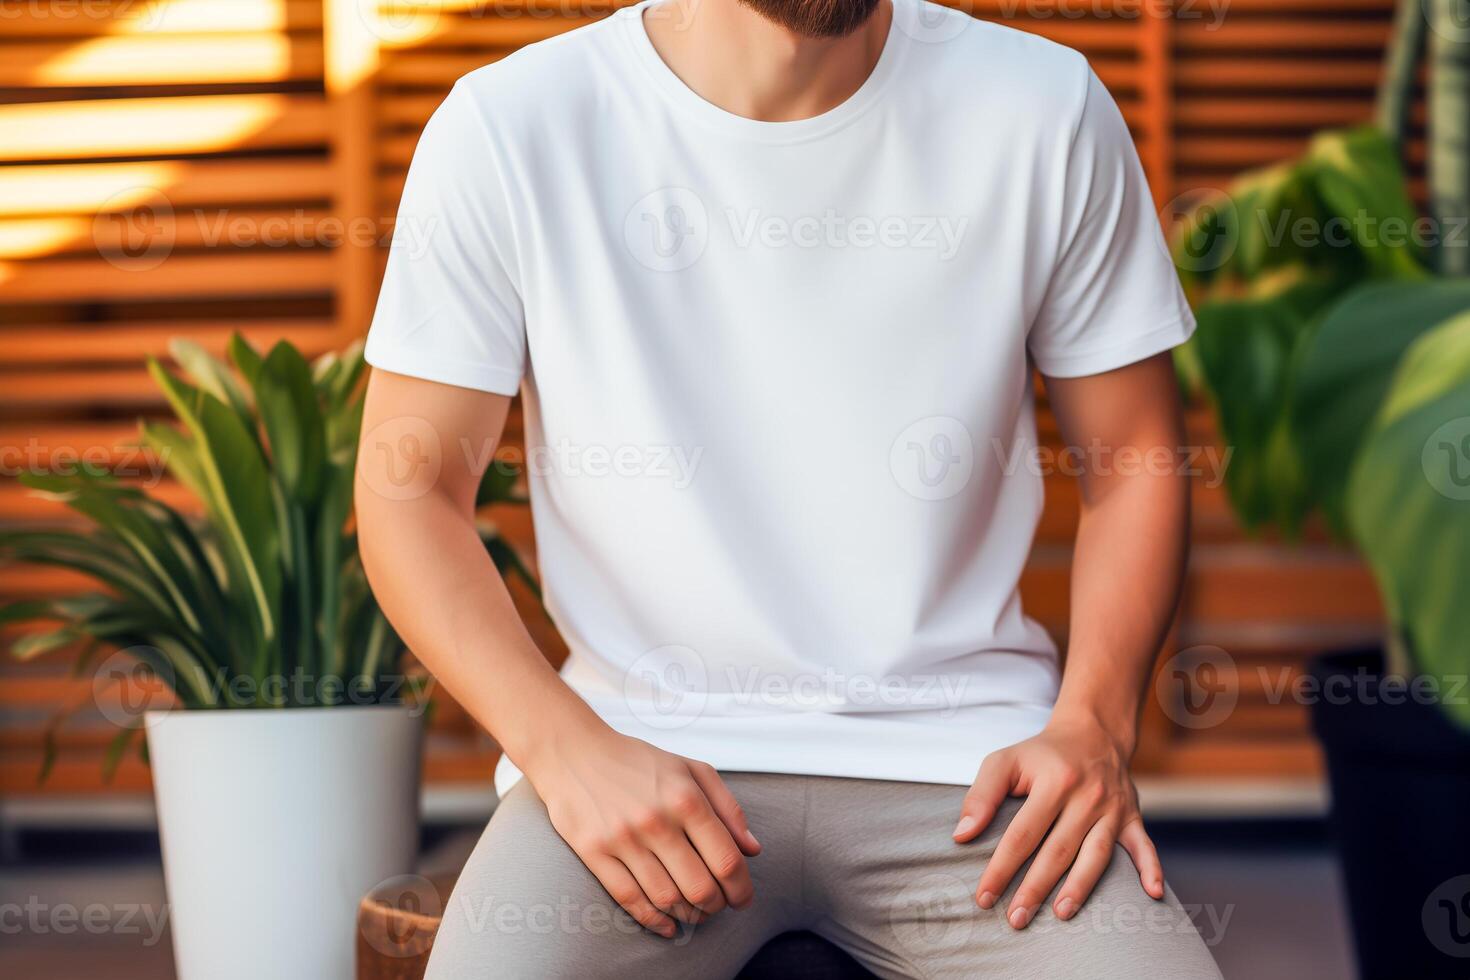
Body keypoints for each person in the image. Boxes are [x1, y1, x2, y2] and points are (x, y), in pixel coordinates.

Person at [355, 0, 1222, 975]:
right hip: (642, 761)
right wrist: (562, 747)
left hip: (971, 770)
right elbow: (408, 488)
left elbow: (1136, 458)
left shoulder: (1044, 107)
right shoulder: (511, 126)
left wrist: (1095, 722)